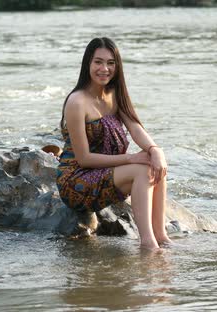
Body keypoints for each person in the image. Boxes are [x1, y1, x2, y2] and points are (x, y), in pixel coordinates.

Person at [56, 37, 171, 250]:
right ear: (87, 64)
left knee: (155, 165)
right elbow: (84, 158)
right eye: (98, 62)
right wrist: (131, 158)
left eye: (110, 63)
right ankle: (148, 243)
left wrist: (155, 150)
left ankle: (161, 236)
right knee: (142, 170)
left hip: (105, 172)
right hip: (76, 180)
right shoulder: (77, 102)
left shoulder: (114, 94)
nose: (104, 68)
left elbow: (135, 128)